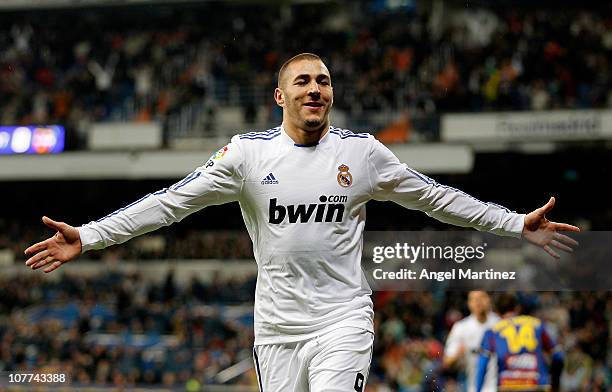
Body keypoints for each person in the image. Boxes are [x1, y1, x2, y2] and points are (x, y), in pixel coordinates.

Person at [24, 53, 579, 392]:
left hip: (343, 319)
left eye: (325, 81)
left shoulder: (362, 153)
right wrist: (91, 235)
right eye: (305, 82)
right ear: (280, 96)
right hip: (277, 330)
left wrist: (514, 224)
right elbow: (172, 202)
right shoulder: (245, 156)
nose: (316, 89)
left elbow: (432, 198)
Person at [475, 294, 564, 392]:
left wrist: (478, 390)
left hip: (508, 385)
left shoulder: (492, 332)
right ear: (517, 308)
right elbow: (558, 355)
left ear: (497, 312)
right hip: (537, 384)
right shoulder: (537, 324)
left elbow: (482, 365)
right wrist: (555, 384)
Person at [444, 291, 500, 392]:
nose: (478, 301)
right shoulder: (461, 327)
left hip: (499, 386)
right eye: (473, 299)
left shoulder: (500, 324)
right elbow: (447, 361)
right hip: (473, 387)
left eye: (482, 297)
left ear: (489, 300)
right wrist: (457, 355)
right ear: (469, 303)